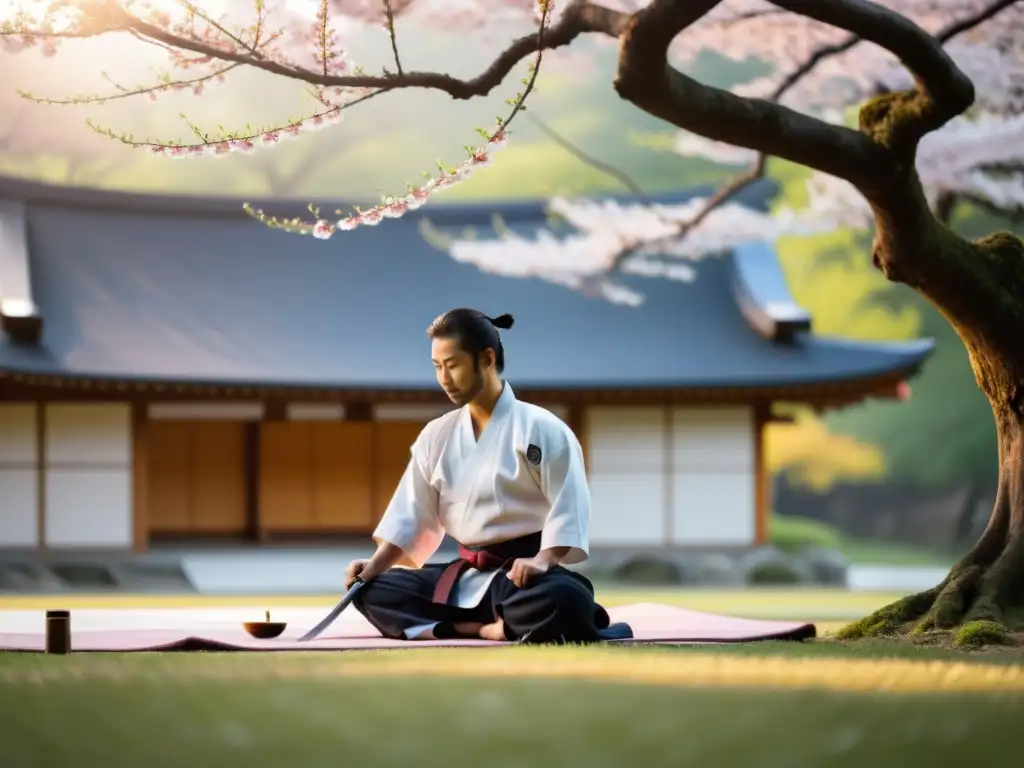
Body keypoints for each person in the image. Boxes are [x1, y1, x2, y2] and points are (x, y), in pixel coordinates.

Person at [345, 308, 632, 644]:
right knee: (370, 590)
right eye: (437, 367)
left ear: (486, 358)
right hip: (462, 577)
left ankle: (480, 623)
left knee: (565, 598)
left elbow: (570, 506)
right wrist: (373, 568)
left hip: (521, 577)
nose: (444, 378)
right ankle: (481, 628)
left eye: (452, 365)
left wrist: (542, 560)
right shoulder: (436, 435)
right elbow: (412, 515)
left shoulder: (542, 428)